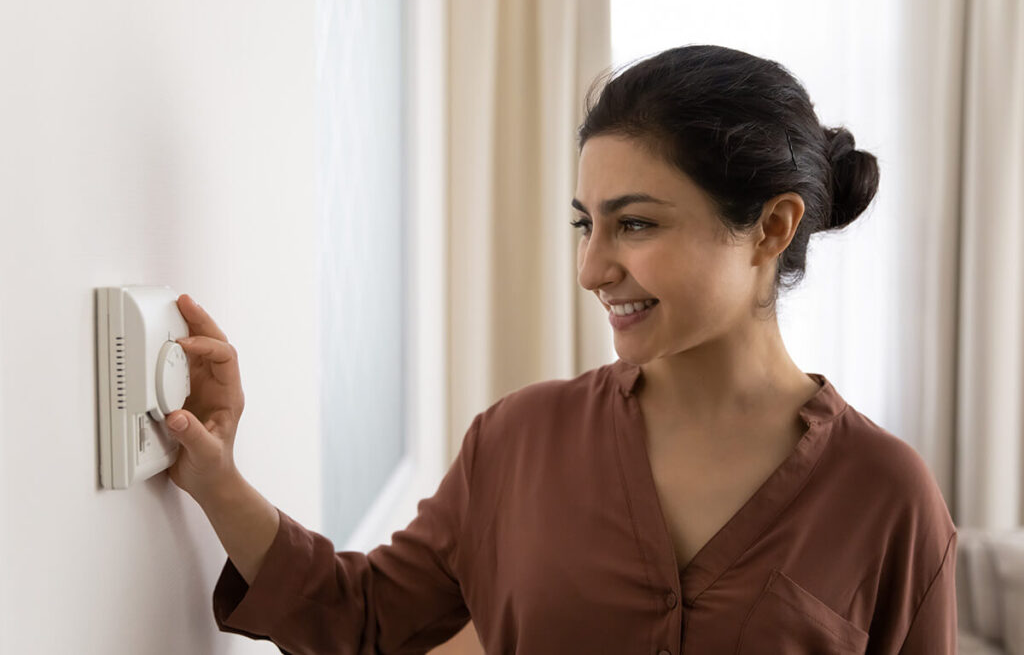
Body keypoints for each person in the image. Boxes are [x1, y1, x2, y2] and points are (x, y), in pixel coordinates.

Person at [166, 45, 957, 654]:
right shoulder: (518, 442)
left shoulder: (887, 497)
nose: (591, 268)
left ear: (773, 228)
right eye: (587, 223)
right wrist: (216, 475)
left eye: (636, 223)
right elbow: (365, 617)